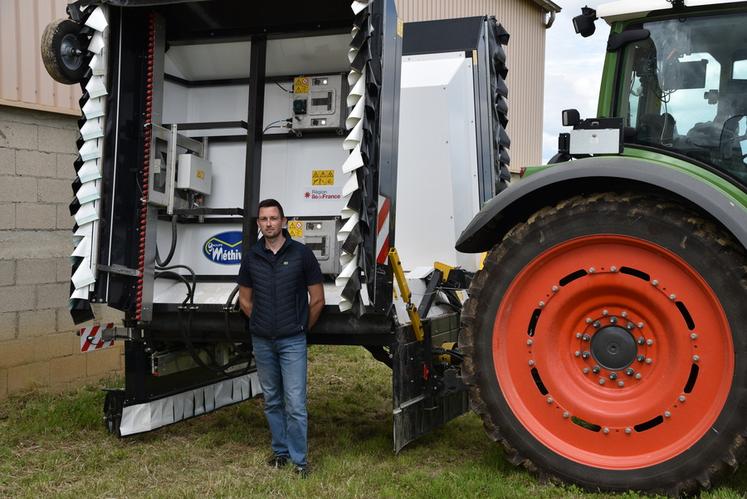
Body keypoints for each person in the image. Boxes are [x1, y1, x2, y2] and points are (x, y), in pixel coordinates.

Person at [237, 198, 324, 478]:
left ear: (284, 221)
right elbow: (245, 301)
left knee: (296, 403)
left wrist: (298, 328)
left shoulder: (301, 254)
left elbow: (318, 299)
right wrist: (264, 323)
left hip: (292, 341)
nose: (269, 223)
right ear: (259, 224)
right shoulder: (251, 257)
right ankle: (280, 452)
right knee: (273, 399)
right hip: (262, 341)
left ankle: (300, 461)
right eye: (263, 219)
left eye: (274, 218)